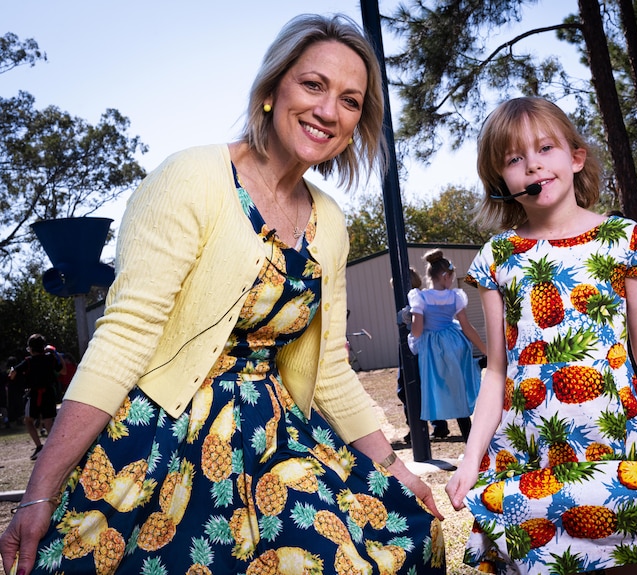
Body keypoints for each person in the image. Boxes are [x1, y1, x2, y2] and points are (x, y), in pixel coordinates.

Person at [0, 14, 444, 575]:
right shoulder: (192, 176)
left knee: (393, 544)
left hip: (274, 439)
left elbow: (328, 369)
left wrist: (397, 468)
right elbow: (123, 336)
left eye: (350, 100)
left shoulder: (328, 220)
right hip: (161, 435)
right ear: (272, 89)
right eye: (313, 85)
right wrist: (39, 491)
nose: (329, 111)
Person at [446, 97, 637, 574]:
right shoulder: (498, 255)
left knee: (629, 561)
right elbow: (496, 372)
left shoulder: (623, 238)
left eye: (545, 147)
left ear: (575, 157)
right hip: (533, 449)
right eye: (514, 159)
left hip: (621, 438)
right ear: (502, 181)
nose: (532, 163)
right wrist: (471, 458)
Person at [408, 249, 487, 441]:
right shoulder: (455, 297)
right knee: (458, 384)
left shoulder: (420, 297)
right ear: (445, 276)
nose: (451, 281)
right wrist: (486, 350)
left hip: (433, 348)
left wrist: (412, 328)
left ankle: (431, 425)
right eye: (451, 277)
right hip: (455, 343)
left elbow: (417, 330)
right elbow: (467, 327)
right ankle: (468, 431)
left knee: (437, 384)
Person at [395, 267, 449, 443]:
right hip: (411, 346)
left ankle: (430, 426)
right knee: (407, 389)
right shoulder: (414, 296)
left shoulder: (417, 296)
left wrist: (407, 316)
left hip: (418, 348)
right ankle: (423, 426)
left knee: (413, 388)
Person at [8, 334, 63, 460]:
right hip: (49, 392)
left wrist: (13, 373)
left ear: (31, 348)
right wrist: (56, 354)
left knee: (28, 420)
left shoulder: (28, 361)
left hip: (34, 394)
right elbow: (61, 369)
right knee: (48, 422)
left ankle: (39, 447)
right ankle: (55, 449)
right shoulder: (51, 358)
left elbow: (13, 374)